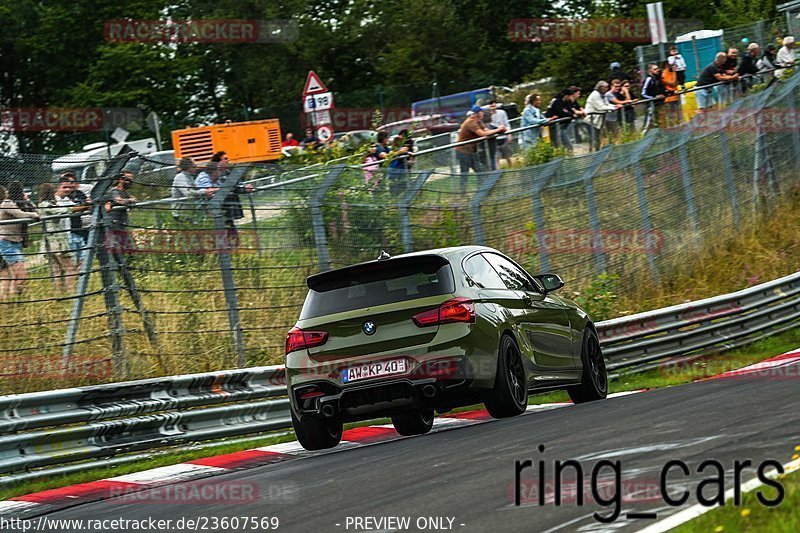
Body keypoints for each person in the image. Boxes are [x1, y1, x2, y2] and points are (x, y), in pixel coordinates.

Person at [0, 183, 40, 299]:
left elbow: (37, 212)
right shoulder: (7, 204)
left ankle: (13, 303)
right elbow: (20, 215)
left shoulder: (18, 204)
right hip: (6, 241)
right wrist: (34, 215)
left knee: (15, 277)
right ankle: (14, 300)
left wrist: (28, 201)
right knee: (21, 276)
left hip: (16, 241)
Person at [455, 105, 506, 192]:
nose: (483, 113)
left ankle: (481, 191)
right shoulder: (470, 122)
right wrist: (497, 130)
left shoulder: (478, 122)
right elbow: (482, 134)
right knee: (465, 174)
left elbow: (487, 131)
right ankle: (462, 194)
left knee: (480, 171)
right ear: (477, 113)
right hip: (463, 152)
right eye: (481, 112)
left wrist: (500, 130)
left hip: (471, 151)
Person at [38, 182, 77, 290]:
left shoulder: (44, 204)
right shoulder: (46, 204)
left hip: (49, 239)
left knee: (57, 269)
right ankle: (71, 291)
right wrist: (79, 208)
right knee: (69, 267)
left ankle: (59, 293)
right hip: (56, 238)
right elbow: (61, 210)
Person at [584, 81, 618, 150]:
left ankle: (597, 154)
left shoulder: (603, 94)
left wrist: (615, 106)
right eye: (605, 87)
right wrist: (614, 107)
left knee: (598, 139)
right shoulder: (595, 95)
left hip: (598, 121)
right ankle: (593, 155)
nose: (606, 89)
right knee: (594, 140)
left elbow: (607, 104)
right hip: (591, 121)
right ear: (600, 87)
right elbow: (601, 107)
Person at [641, 62, 667, 130]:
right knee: (648, 123)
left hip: (657, 105)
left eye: (657, 68)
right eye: (655, 69)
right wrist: (654, 98)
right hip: (650, 105)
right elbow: (643, 93)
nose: (657, 70)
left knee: (657, 122)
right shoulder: (649, 79)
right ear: (650, 70)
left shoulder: (656, 79)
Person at [487, 101, 513, 168]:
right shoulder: (488, 115)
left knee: (507, 156)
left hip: (503, 137)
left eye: (494, 104)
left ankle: (512, 169)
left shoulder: (502, 112)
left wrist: (509, 133)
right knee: (497, 157)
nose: (493, 106)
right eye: (491, 105)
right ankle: (498, 173)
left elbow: (506, 123)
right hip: (495, 139)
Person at [660, 60, 681, 127]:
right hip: (669, 99)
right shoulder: (664, 74)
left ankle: (678, 126)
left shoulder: (670, 73)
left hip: (675, 97)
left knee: (677, 114)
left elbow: (677, 82)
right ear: (667, 65)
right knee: (671, 115)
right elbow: (673, 83)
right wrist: (675, 72)